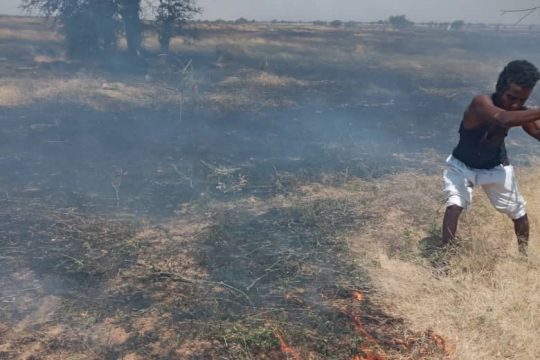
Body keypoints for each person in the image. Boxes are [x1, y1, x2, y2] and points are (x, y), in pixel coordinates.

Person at [442, 60, 540, 255]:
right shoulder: (481, 103)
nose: (515, 104)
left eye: (521, 100)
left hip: (496, 168)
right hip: (462, 165)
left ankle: (523, 256)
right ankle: (444, 257)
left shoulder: (518, 112)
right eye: (511, 97)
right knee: (454, 205)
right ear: (499, 86)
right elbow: (502, 119)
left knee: (518, 212)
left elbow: (537, 132)